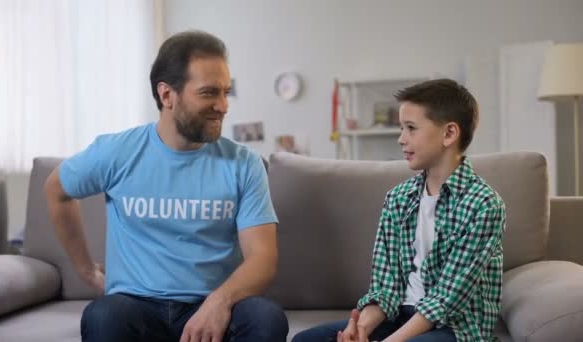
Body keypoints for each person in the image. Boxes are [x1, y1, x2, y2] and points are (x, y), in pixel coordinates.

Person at [44, 30, 288, 342]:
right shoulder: (117, 152)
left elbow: (262, 259)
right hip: (135, 306)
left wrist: (219, 302)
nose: (223, 105)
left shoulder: (245, 164)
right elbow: (56, 190)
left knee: (265, 318)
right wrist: (87, 271)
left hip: (211, 305)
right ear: (166, 95)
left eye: (226, 92)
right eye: (209, 93)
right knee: (103, 316)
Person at [293, 79, 506, 342]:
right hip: (399, 317)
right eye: (401, 128)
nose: (401, 138)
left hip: (453, 326)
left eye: (411, 128)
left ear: (449, 134)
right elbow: (386, 285)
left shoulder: (484, 205)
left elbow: (446, 299)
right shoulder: (398, 198)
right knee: (305, 340)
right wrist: (362, 327)